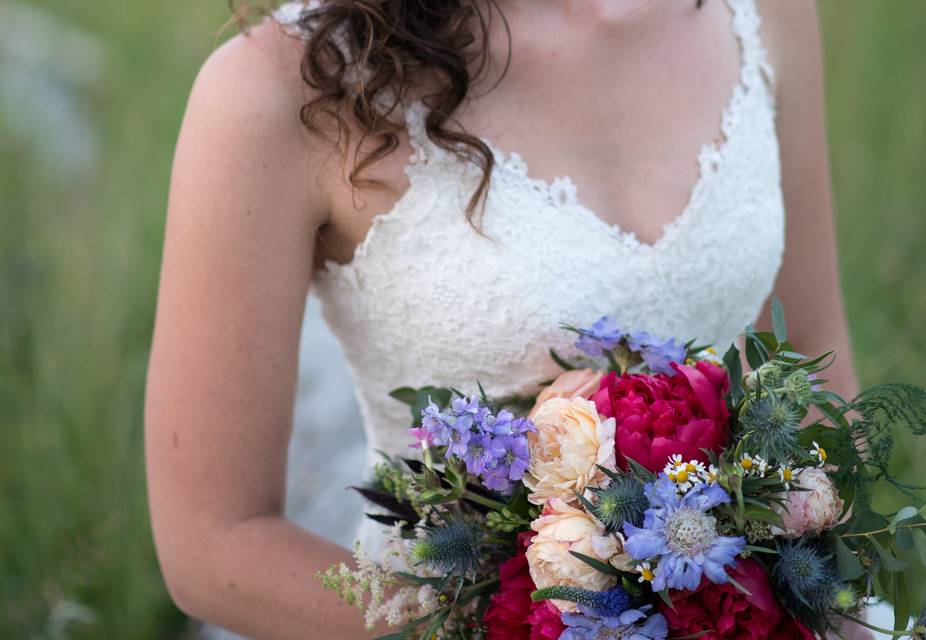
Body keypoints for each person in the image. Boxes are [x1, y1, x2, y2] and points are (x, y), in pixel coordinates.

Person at [144, 0, 862, 637]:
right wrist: (498, 626)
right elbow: (213, 544)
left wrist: (824, 604)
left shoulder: (765, 12)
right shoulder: (282, 86)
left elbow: (811, 349)